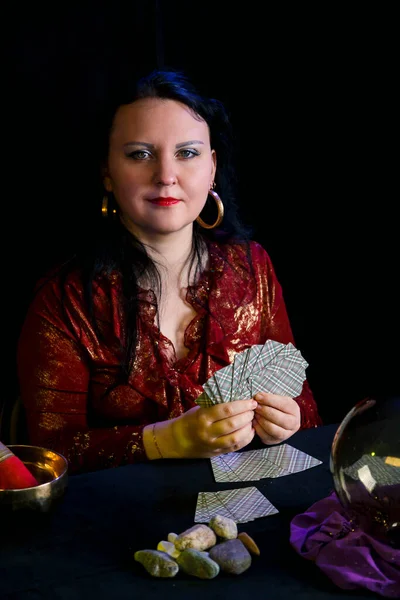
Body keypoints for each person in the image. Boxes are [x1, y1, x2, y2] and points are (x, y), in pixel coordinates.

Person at [17, 68, 322, 474]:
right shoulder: (64, 299)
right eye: (139, 154)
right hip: (121, 524)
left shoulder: (252, 268)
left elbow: (306, 406)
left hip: (248, 510)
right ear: (107, 172)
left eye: (187, 153)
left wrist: (290, 419)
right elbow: (47, 453)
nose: (165, 176)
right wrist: (167, 439)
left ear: (212, 167)